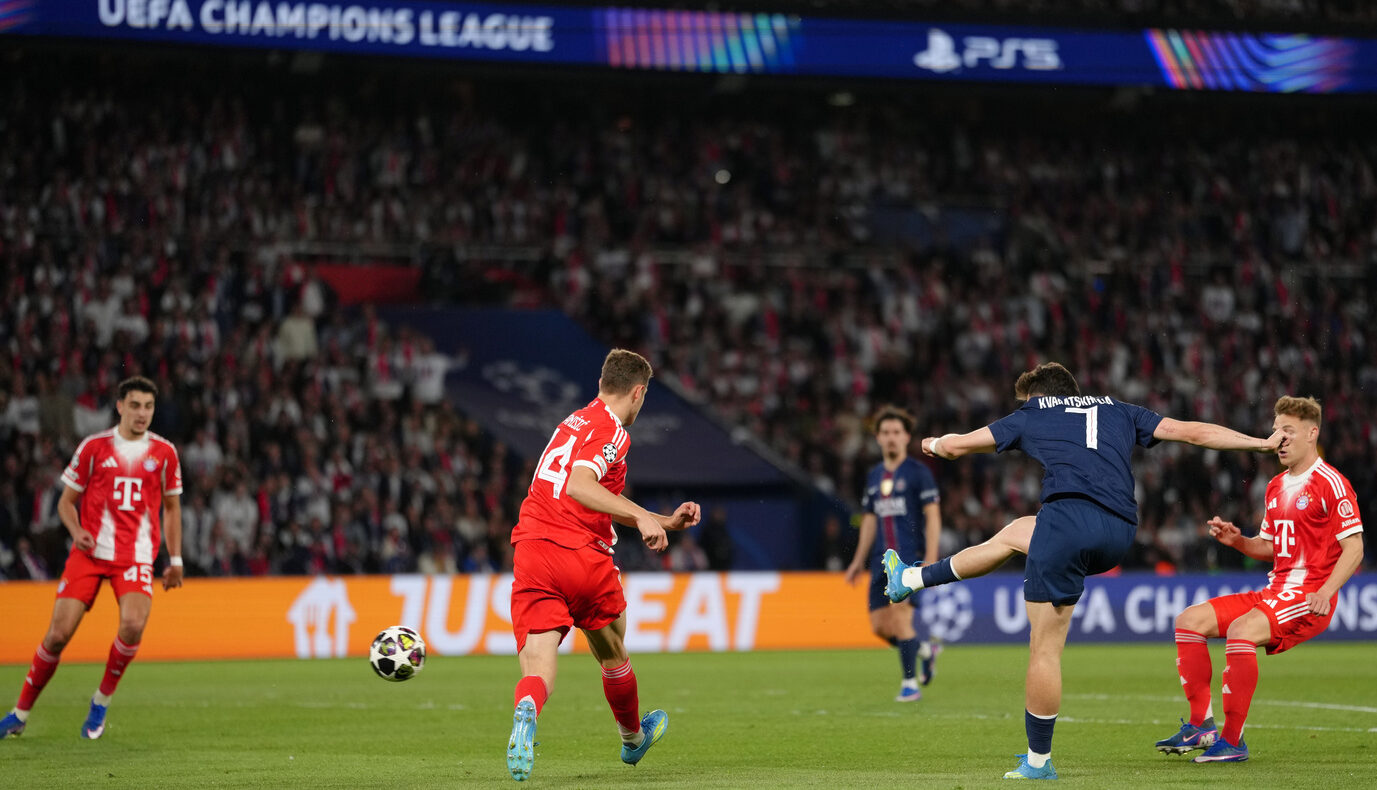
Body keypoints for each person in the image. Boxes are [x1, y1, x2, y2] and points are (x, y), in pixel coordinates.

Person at [882, 362, 1281, 780]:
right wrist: (1257, 444)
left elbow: (958, 447)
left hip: (1067, 521)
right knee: (1016, 532)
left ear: (1040, 394)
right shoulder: (1120, 409)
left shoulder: (1034, 412)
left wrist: (932, 443)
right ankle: (911, 579)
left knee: (1044, 648)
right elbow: (1192, 431)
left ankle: (1038, 763)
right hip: (1119, 531)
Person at [506, 349, 701, 782]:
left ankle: (528, 708)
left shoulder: (573, 422)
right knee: (613, 652)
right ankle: (632, 739)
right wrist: (642, 519)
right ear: (637, 393)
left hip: (533, 549)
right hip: (581, 555)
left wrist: (659, 518)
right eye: (644, 397)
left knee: (538, 663)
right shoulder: (612, 428)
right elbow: (580, 486)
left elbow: (589, 492)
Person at [1155, 396, 1364, 764]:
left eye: (1288, 431)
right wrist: (1237, 541)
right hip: (1275, 591)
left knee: (1240, 630)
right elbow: (1270, 548)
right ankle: (1200, 725)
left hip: (1309, 594)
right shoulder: (1276, 486)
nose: (1278, 438)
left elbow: (1355, 548)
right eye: (1275, 430)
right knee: (1189, 621)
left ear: (1312, 433)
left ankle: (1233, 742)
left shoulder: (1332, 483)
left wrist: (1327, 591)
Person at [1, 376, 184, 740]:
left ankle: (100, 700)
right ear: (119, 406)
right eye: (135, 405)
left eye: (148, 406)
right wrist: (76, 530)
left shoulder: (164, 453)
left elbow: (172, 508)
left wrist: (175, 559)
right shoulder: (94, 447)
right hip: (89, 553)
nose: (142, 413)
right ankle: (19, 713)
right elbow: (65, 503)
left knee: (133, 625)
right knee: (57, 635)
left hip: (135, 555)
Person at [844, 406, 942, 702]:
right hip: (878, 562)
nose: (891, 438)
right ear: (877, 438)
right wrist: (857, 560)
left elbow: (933, 515)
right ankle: (923, 650)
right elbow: (870, 519)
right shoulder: (874, 476)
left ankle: (910, 684)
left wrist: (933, 555)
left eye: (896, 433)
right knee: (878, 626)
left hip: (908, 560)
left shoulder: (919, 473)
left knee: (901, 620)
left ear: (906, 437)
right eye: (885, 433)